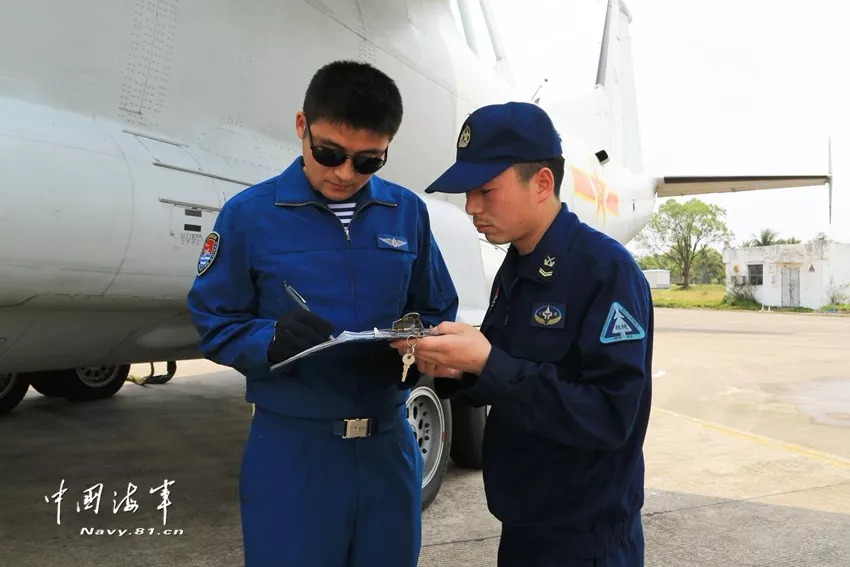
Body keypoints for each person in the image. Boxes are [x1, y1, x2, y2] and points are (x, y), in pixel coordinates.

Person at [187, 60, 458, 567]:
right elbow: (215, 321)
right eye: (329, 153)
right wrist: (270, 340)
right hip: (293, 452)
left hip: (388, 447)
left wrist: (416, 345)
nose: (344, 173)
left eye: (368, 161)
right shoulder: (248, 215)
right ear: (301, 127)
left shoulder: (407, 213)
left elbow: (436, 307)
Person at [393, 101, 653, 566]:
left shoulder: (605, 271)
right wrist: (458, 369)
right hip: (524, 524)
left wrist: (488, 362)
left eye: (486, 190)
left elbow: (610, 417)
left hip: (585, 541)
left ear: (542, 183)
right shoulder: (515, 268)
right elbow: (511, 371)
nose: (471, 207)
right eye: (468, 193)